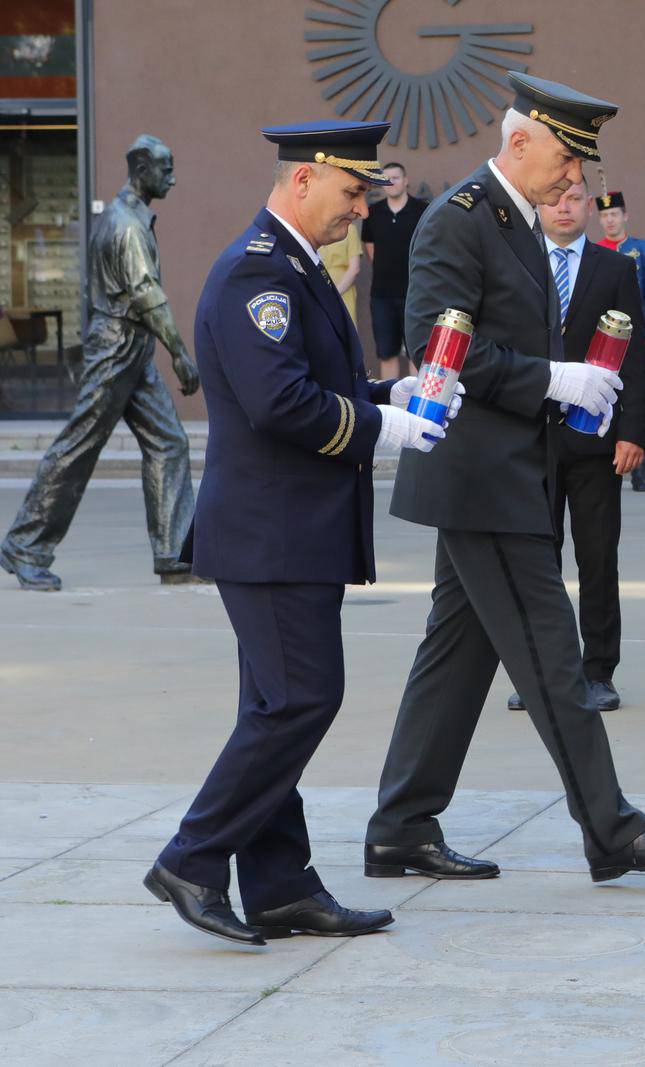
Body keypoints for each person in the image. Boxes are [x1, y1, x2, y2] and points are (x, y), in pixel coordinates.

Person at [363, 72, 645, 885]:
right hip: (480, 474)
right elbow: (437, 347)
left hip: (511, 470)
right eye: (565, 158)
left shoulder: (516, 223)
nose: (573, 180)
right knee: (554, 652)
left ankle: (400, 825)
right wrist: (556, 380)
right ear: (518, 142)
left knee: (455, 654)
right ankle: (613, 828)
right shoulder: (459, 223)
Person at [144, 121, 453, 946]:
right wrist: (380, 431)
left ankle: (279, 885)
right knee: (301, 700)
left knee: (275, 703)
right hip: (271, 537)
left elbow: (331, 383)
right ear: (307, 179)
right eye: (354, 192)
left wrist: (398, 395)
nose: (364, 208)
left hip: (285, 534)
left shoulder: (294, 266)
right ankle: (192, 857)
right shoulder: (258, 273)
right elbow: (281, 403)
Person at [0, 135, 201, 592]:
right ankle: (25, 545)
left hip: (133, 347)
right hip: (116, 347)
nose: (173, 177)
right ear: (141, 168)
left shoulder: (130, 217)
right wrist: (181, 354)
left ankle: (174, 553)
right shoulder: (126, 225)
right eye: (165, 169)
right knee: (78, 447)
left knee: (169, 442)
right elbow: (147, 296)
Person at [505, 179, 645, 714]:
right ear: (536, 207)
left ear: (591, 207)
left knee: (596, 559)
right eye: (552, 200)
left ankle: (598, 670)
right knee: (536, 562)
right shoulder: (517, 264)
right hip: (530, 439)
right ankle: (539, 669)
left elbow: (632, 357)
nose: (563, 208)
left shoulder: (615, 269)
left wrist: (633, 432)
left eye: (574, 200)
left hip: (596, 441)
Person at [595, 189, 645, 492]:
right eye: (604, 216)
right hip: (601, 344)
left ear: (625, 216)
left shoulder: (643, 251)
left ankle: (640, 472)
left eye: (613, 214)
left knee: (640, 405)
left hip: (636, 343)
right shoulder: (595, 250)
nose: (609, 220)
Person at [362, 161, 427, 379]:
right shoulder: (373, 213)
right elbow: (371, 250)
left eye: (396, 177)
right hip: (382, 295)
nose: (391, 182)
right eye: (386, 178)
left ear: (406, 180)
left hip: (415, 295)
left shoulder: (422, 211)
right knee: (386, 353)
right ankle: (392, 408)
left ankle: (414, 410)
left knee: (416, 354)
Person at [319, 222, 363, 320]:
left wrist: (334, 293)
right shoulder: (314, 230)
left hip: (344, 291)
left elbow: (354, 268)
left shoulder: (350, 229)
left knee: (345, 330)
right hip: (318, 293)